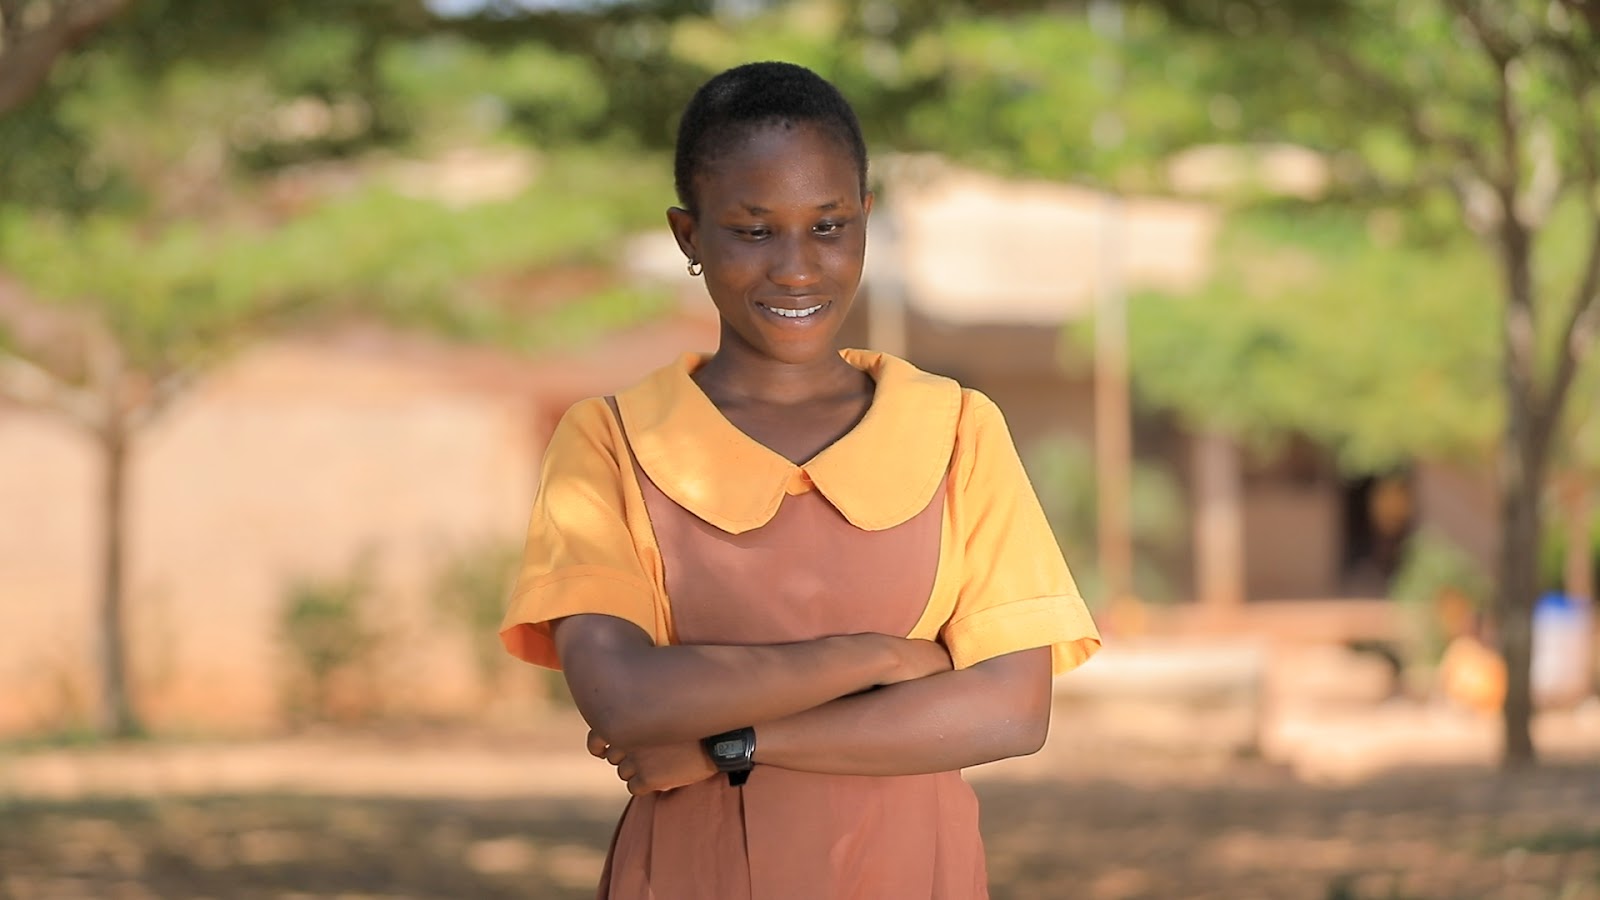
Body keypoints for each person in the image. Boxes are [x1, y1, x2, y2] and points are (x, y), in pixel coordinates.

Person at [499, 60, 1101, 899]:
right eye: (753, 230)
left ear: (865, 220)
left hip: (909, 871)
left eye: (827, 227)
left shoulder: (958, 429)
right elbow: (624, 698)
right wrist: (881, 657)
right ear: (688, 235)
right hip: (689, 874)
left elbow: (1009, 711)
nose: (796, 268)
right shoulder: (613, 441)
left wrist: (731, 741)